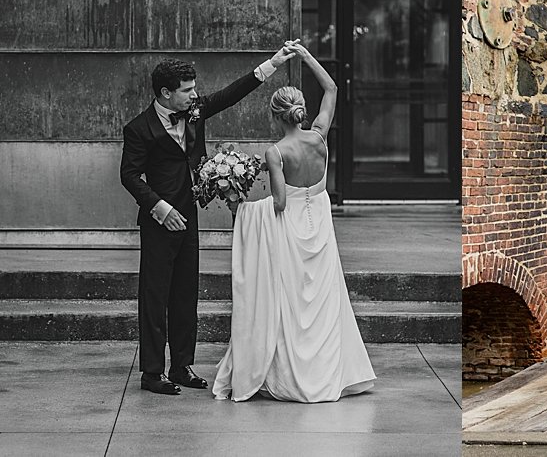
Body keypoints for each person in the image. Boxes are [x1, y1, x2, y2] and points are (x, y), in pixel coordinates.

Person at [120, 43, 297, 397]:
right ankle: (152, 373)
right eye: (187, 91)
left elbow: (231, 94)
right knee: (155, 296)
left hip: (190, 213)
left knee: (186, 292)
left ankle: (182, 365)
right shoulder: (138, 128)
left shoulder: (196, 110)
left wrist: (273, 64)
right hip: (160, 221)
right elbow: (130, 175)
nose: (194, 95)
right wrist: (160, 208)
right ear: (166, 93)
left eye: (194, 88)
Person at [213, 40, 376, 402]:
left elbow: (280, 202)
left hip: (290, 232)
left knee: (292, 300)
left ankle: (291, 374)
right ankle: (328, 373)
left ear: (273, 117)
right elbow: (331, 88)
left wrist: (240, 205)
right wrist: (306, 56)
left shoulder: (275, 152)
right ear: (300, 113)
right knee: (323, 299)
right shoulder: (319, 138)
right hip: (320, 224)